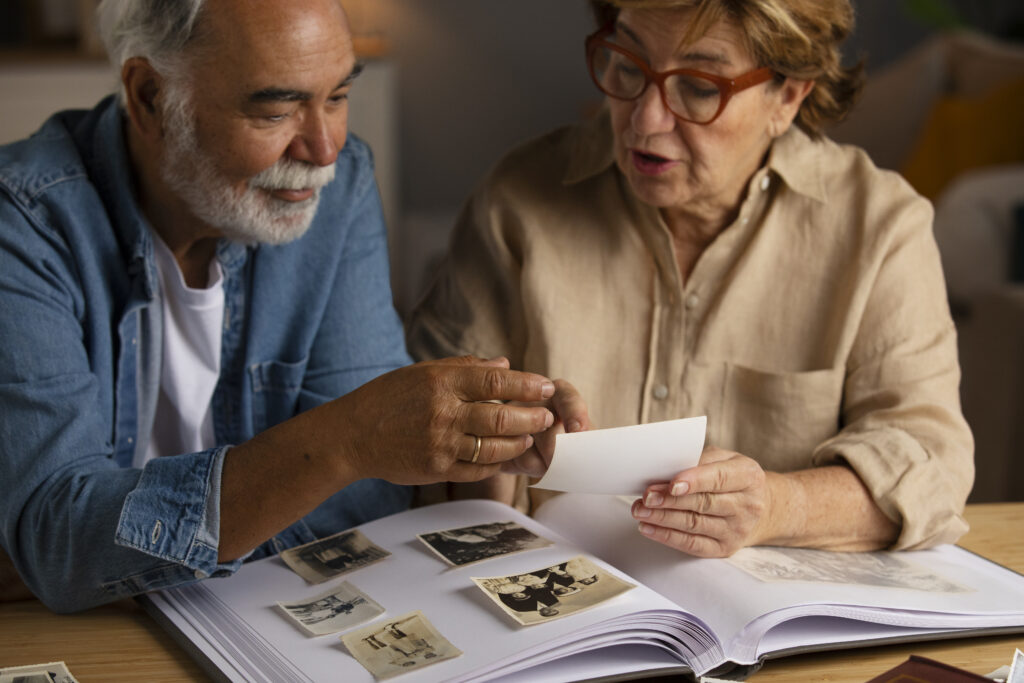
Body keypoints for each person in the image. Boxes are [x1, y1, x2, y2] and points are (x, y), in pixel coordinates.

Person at [0, 0, 587, 613]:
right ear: (149, 96)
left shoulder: (337, 188)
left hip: (251, 630)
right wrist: (345, 441)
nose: (325, 148)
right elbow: (61, 543)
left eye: (337, 96)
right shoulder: (24, 220)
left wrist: (116, 557)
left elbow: (369, 502)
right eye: (277, 110)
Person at [408, 0, 974, 556]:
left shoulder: (879, 228)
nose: (646, 121)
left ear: (790, 94)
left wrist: (779, 505)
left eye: (700, 86)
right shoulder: (517, 202)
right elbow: (423, 466)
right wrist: (491, 449)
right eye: (629, 67)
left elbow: (930, 463)